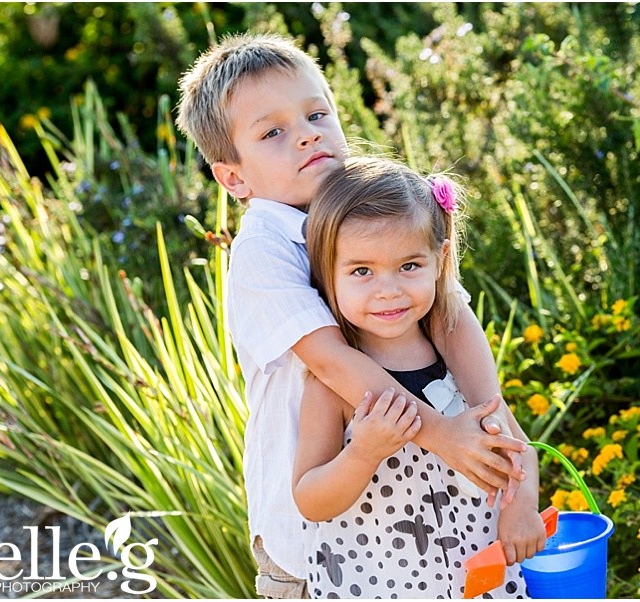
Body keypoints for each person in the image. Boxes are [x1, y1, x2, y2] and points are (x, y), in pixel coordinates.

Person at [175, 33, 530, 598]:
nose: (307, 134)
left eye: (317, 113)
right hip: (318, 539)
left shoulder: (371, 201)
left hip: (425, 529)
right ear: (235, 178)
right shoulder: (264, 248)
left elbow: (450, 316)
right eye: (273, 133)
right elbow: (331, 359)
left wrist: (491, 423)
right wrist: (442, 433)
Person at [295, 157, 545, 598]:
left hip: (479, 577)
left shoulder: (455, 361)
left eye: (409, 266)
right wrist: (363, 453)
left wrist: (521, 509)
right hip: (380, 585)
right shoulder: (332, 382)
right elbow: (310, 499)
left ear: (439, 258)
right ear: (326, 273)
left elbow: (518, 448)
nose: (388, 289)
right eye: (361, 271)